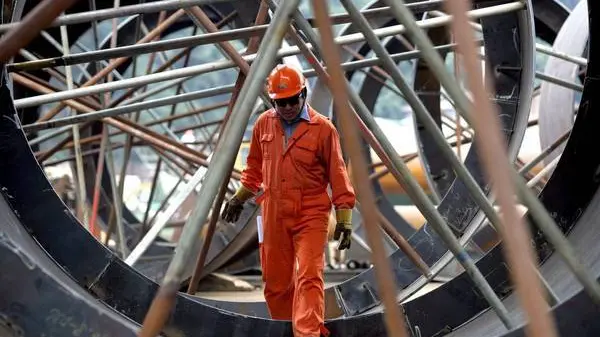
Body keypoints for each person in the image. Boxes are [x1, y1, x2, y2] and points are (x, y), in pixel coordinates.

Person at [221, 64, 356, 337]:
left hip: (311, 211)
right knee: (275, 282)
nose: (287, 107)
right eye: (280, 102)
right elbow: (254, 169)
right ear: (272, 101)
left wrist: (344, 218)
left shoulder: (323, 129)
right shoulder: (263, 124)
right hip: (273, 212)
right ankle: (285, 329)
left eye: (292, 100)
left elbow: (338, 175)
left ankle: (307, 334)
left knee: (309, 275)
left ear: (303, 94)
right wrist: (238, 198)